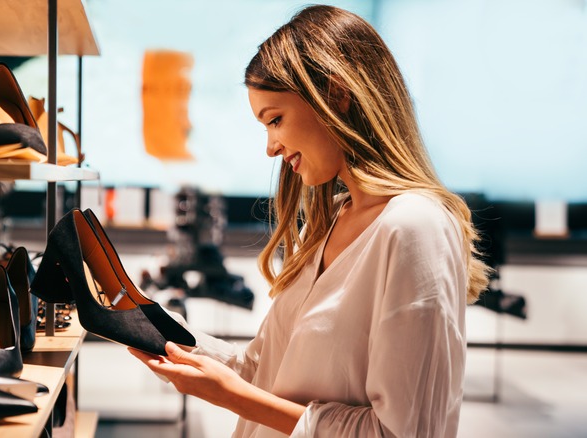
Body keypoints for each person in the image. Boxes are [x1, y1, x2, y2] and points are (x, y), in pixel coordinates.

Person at [130, 5, 492, 437]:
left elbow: (400, 432)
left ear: (337, 94)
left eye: (275, 120)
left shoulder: (415, 227)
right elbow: (265, 372)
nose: (270, 147)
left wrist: (231, 396)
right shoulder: (325, 227)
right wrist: (153, 330)